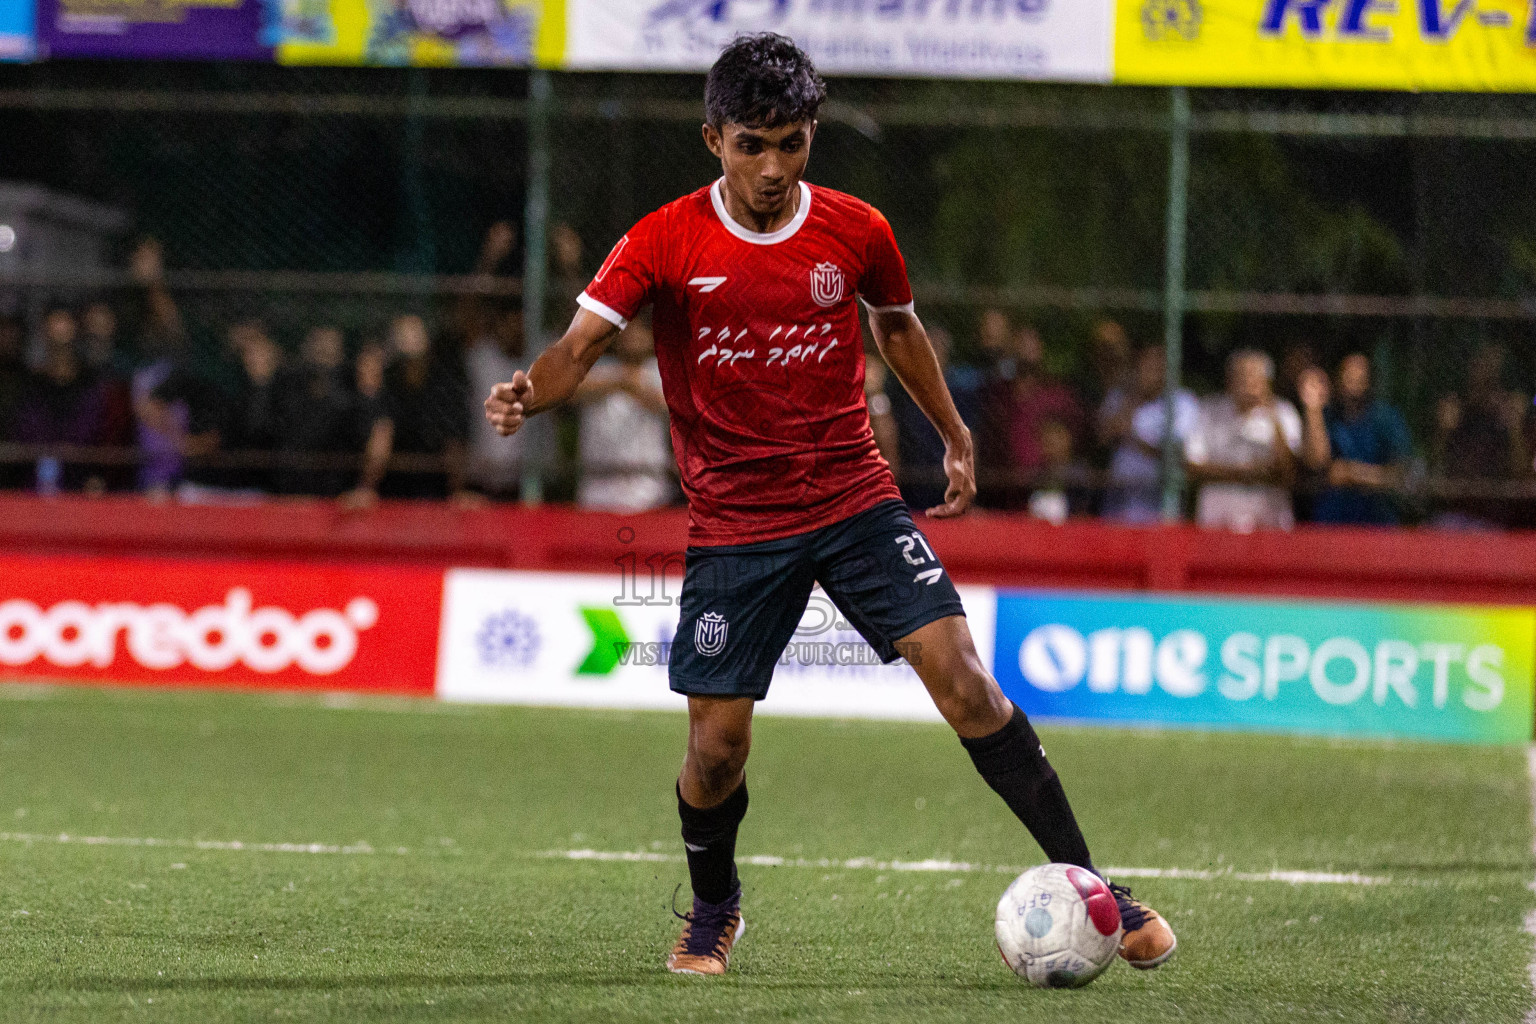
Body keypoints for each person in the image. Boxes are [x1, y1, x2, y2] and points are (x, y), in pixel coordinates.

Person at [484, 33, 1174, 978]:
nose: (772, 168)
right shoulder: (664, 238)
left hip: (855, 500)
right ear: (712, 140)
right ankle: (715, 906)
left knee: (966, 682)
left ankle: (1100, 890)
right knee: (717, 750)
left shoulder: (856, 229)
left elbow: (899, 330)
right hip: (736, 525)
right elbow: (579, 348)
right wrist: (532, 389)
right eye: (751, 145)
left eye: (792, 143)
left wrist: (955, 433)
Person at [346, 313, 473, 506]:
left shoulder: (444, 386)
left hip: (435, 488)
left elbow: (453, 443)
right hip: (393, 489)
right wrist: (366, 488)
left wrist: (458, 491)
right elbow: (382, 435)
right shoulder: (389, 383)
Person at [1185, 349, 1303, 532]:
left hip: (1268, 523)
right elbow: (1193, 466)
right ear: (1229, 380)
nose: (1247, 383)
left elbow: (1288, 470)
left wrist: (1272, 416)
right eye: (1240, 376)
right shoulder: (1209, 410)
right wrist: (1246, 473)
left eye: (1254, 376)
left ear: (1267, 381)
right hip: (1217, 523)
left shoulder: (1283, 412)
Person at [572, 318, 674, 511]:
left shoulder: (663, 369)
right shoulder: (595, 365)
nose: (632, 337)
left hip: (649, 492)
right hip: (598, 492)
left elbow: (668, 405)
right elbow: (570, 391)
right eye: (626, 331)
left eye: (638, 331)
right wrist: (621, 382)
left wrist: (634, 387)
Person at [1302, 354, 1414, 526]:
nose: (1353, 378)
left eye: (1359, 373)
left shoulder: (1386, 418)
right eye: (1348, 372)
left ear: (1369, 380)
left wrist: (1353, 474)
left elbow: (1400, 475)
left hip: (1376, 523)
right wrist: (1312, 408)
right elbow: (1316, 462)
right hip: (1331, 521)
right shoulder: (1327, 416)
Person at [883, 324, 984, 511]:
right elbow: (890, 440)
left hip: (947, 483)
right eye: (929, 347)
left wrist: (966, 490)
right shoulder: (901, 391)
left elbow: (971, 441)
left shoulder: (960, 395)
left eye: (939, 348)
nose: (934, 354)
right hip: (910, 488)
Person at [1430, 343, 1528, 531]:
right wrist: (1443, 431)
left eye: (1492, 370)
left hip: (1492, 517)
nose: (1484, 372)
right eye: (1480, 365)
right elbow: (1434, 466)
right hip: (1453, 513)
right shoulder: (1458, 411)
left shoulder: (1506, 415)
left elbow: (1521, 473)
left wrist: (1514, 430)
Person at [1098, 344, 1198, 525]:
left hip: (1158, 506)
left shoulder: (1182, 402)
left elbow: (1174, 451)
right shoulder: (1120, 397)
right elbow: (1101, 440)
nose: (1149, 372)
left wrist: (1131, 436)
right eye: (1144, 366)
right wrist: (1132, 401)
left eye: (1156, 367)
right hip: (1118, 505)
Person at [13, 307, 109, 493]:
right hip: (34, 482)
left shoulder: (89, 383)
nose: (60, 332)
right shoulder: (31, 385)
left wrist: (94, 475)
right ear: (43, 333)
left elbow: (96, 434)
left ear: (76, 331)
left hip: (81, 480)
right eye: (54, 326)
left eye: (66, 325)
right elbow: (25, 434)